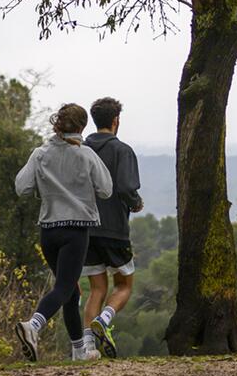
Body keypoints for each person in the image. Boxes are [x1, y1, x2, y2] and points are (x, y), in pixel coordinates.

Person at [13, 103, 112, 362]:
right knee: (65, 287)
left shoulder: (40, 153)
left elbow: (21, 187)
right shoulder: (86, 155)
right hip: (75, 230)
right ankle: (32, 326)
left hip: (48, 230)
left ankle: (79, 351)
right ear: (82, 127)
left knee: (70, 291)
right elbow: (106, 189)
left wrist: (45, 189)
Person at [81, 96, 142, 357]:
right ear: (116, 121)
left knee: (96, 288)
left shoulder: (81, 150)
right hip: (115, 228)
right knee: (124, 284)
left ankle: (85, 347)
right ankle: (104, 320)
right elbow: (127, 187)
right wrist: (136, 202)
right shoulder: (123, 150)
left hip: (85, 228)